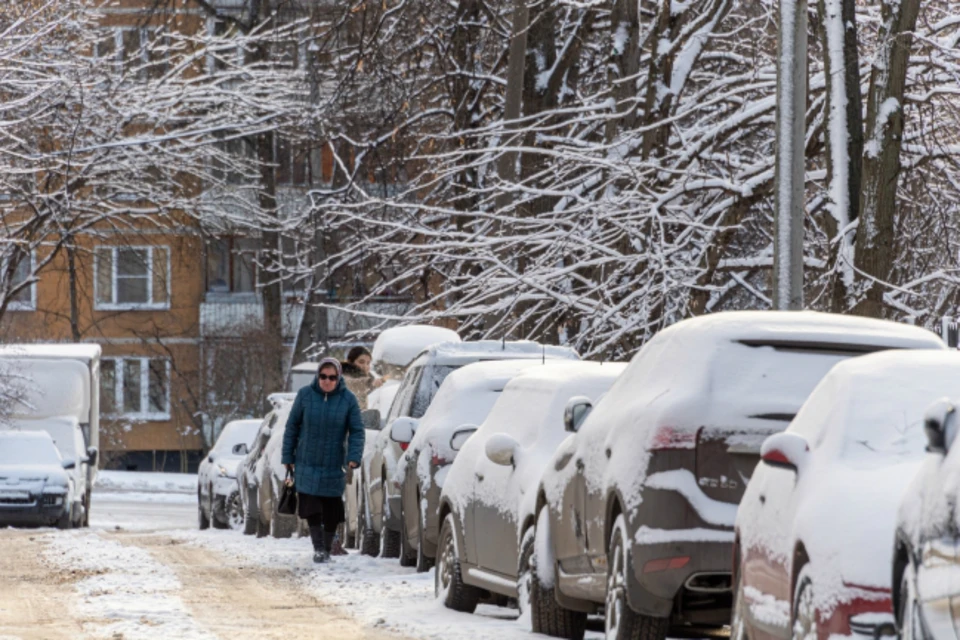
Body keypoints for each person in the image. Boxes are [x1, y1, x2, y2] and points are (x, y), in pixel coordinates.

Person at [282, 357, 364, 563]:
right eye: (323, 376)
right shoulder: (305, 396)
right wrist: (288, 456)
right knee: (311, 507)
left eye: (332, 377)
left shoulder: (348, 400)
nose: (327, 381)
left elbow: (357, 431)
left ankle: (327, 547)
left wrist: (353, 457)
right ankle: (318, 548)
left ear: (339, 378)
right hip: (306, 460)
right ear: (317, 376)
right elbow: (292, 426)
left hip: (334, 463)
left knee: (331, 509)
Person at [340, 346, 382, 410]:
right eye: (361, 362)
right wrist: (369, 382)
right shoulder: (342, 377)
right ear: (350, 361)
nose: (365, 366)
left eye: (368, 363)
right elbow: (353, 384)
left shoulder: (364, 380)